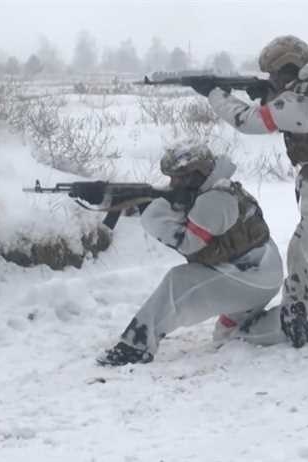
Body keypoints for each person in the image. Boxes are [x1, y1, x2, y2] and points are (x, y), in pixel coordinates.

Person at [189, 35, 308, 355]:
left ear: (287, 69)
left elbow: (248, 121)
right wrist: (269, 94)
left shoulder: (301, 100)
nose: (271, 80)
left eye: (274, 75)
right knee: (299, 253)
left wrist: (214, 94)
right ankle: (295, 312)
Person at [97, 141, 286, 366]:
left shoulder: (216, 199)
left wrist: (152, 212)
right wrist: (137, 202)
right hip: (261, 270)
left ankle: (135, 346)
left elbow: (188, 244)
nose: (172, 183)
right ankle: (287, 322)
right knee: (228, 336)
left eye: (178, 177)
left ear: (196, 174)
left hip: (250, 278)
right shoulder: (216, 188)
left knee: (179, 282)